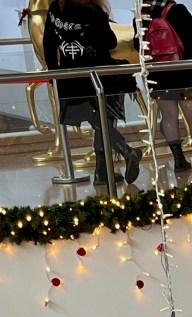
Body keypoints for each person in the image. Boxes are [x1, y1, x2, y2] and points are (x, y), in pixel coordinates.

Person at [42, 0, 142, 186]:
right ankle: (127, 151)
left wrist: (53, 72)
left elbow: (48, 42)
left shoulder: (56, 8)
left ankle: (101, 173)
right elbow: (110, 42)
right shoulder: (93, 11)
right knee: (102, 121)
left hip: (69, 77)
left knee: (97, 123)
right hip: (98, 76)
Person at [137, 1, 192, 173]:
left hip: (159, 75)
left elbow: (139, 46)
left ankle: (179, 161)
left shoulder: (142, 14)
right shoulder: (178, 10)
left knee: (169, 118)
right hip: (186, 73)